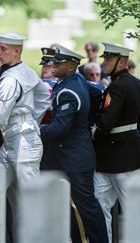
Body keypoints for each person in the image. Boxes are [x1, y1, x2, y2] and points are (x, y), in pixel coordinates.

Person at [40, 45, 108, 243]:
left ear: (71, 67)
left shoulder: (69, 90)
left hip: (74, 159)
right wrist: (85, 119)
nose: (53, 65)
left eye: (59, 63)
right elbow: (96, 96)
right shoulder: (77, 80)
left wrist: (35, 132)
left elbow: (60, 128)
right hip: (75, 153)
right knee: (81, 206)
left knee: (84, 207)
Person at [0, 32, 50, 231]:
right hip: (13, 140)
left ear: (16, 51)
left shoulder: (12, 79)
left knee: (32, 200)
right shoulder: (27, 72)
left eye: (3, 49)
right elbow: (44, 96)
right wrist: (30, 120)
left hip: (24, 144)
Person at [93, 43, 140, 242]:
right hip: (122, 155)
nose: (104, 63)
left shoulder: (117, 87)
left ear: (122, 62)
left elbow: (106, 121)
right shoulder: (136, 83)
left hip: (116, 156)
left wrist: (94, 132)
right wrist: (130, 125)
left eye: (109, 59)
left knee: (114, 209)